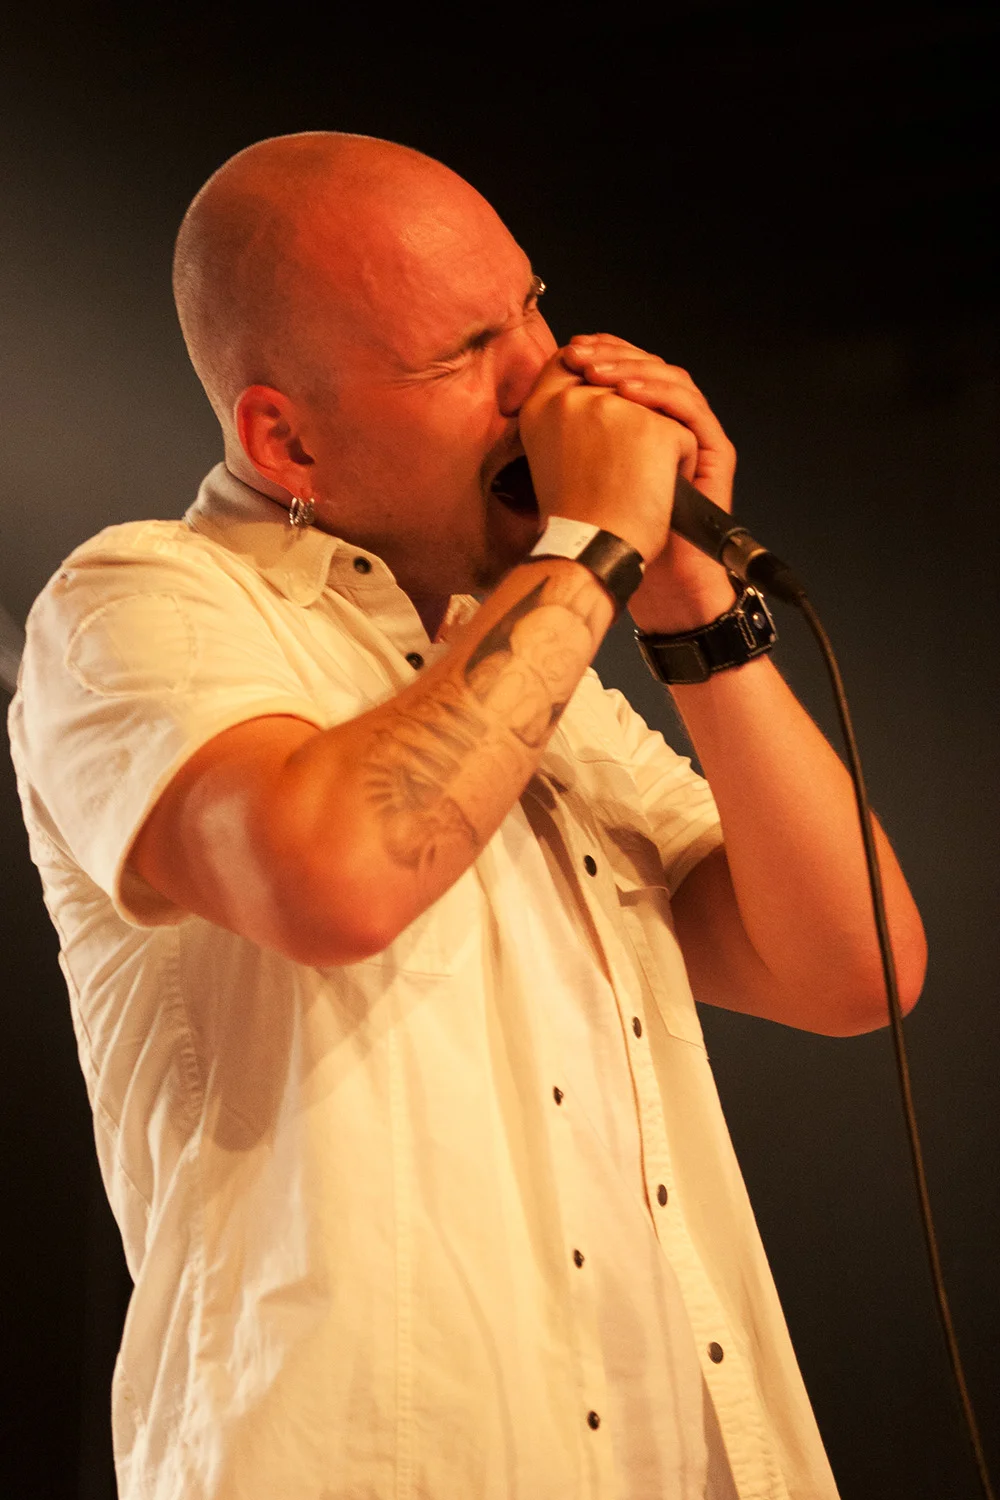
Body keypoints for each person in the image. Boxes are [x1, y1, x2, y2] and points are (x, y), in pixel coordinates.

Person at [8, 132, 926, 1500]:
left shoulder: (543, 687)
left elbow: (855, 969)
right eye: (465, 354)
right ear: (285, 438)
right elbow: (336, 881)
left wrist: (685, 597)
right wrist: (592, 546)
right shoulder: (139, 603)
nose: (545, 378)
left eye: (532, 308)